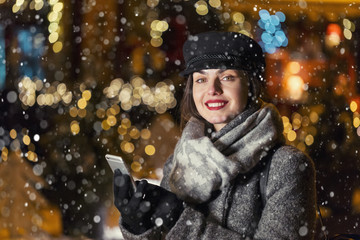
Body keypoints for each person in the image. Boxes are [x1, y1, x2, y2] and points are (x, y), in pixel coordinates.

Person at [113, 31, 317, 239]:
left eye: (227, 77)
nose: (212, 89)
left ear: (251, 86)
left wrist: (179, 219)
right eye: (201, 79)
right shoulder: (178, 162)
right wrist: (140, 227)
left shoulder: (287, 166)